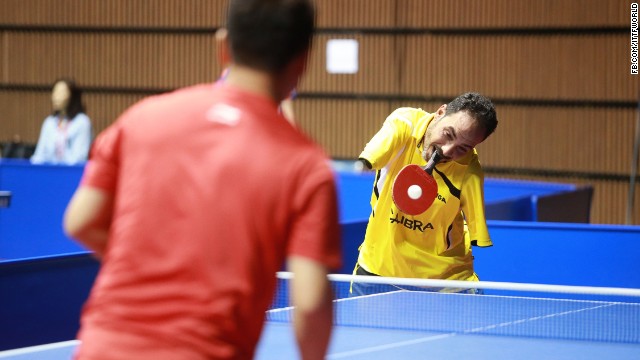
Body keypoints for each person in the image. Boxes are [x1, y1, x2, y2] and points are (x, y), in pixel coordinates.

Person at [63, 0, 341, 359]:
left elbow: (80, 221)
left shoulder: (142, 118)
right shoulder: (307, 165)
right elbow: (309, 304)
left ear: (222, 46)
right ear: (302, 62)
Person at [352, 92, 498, 295]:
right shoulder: (405, 124)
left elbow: (477, 229)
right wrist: (365, 161)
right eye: (448, 134)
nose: (447, 151)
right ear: (440, 112)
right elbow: (385, 140)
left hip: (445, 282)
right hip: (379, 270)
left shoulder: (469, 171)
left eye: (463, 148)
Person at [30, 78, 92, 165]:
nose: (56, 97)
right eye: (54, 92)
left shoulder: (82, 122)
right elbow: (39, 156)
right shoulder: (49, 123)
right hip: (49, 174)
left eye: (61, 93)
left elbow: (80, 159)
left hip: (72, 175)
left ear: (72, 96)